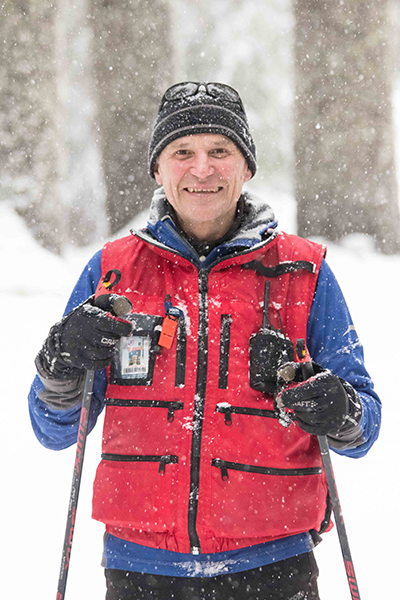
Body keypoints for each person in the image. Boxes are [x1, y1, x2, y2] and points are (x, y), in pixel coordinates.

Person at [29, 82, 381, 600]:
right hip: (140, 569)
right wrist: (58, 367)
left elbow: (364, 427)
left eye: (220, 151)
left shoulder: (304, 272)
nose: (202, 169)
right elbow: (53, 430)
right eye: (182, 153)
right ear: (158, 169)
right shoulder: (111, 272)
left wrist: (340, 409)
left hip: (275, 565)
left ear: (247, 167)